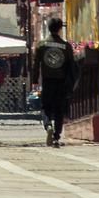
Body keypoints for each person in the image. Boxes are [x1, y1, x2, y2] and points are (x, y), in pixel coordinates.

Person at [33, 17, 79, 147]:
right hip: (62, 82)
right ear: (60, 29)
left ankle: (48, 126)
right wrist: (72, 83)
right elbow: (72, 66)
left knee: (45, 107)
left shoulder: (42, 45)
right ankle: (56, 137)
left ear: (48, 28)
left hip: (47, 81)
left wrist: (35, 80)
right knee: (59, 110)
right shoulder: (66, 46)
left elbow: (36, 64)